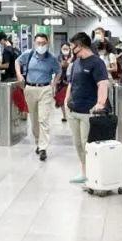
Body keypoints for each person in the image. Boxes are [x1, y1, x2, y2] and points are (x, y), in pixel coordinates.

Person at [64, 32, 110, 185]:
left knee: (87, 144)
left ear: (80, 45)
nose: (71, 49)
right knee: (78, 144)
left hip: (88, 112)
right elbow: (71, 83)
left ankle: (93, 175)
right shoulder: (76, 62)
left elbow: (102, 84)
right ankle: (84, 172)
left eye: (72, 46)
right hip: (74, 109)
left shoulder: (97, 63)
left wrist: (100, 103)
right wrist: (66, 100)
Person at [15, 32, 59, 161]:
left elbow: (59, 72)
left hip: (45, 89)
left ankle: (43, 148)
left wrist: (54, 84)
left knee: (43, 119)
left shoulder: (52, 58)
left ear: (47, 43)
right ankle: (38, 142)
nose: (41, 45)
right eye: (39, 43)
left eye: (43, 43)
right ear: (34, 43)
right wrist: (19, 75)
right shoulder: (28, 54)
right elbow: (17, 62)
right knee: (34, 119)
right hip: (30, 89)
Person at [57, 41, 72, 122]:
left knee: (70, 97)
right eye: (64, 48)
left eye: (67, 48)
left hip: (71, 80)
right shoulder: (59, 57)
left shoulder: (73, 57)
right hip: (61, 81)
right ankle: (64, 115)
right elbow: (58, 67)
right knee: (61, 98)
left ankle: (69, 113)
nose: (65, 50)